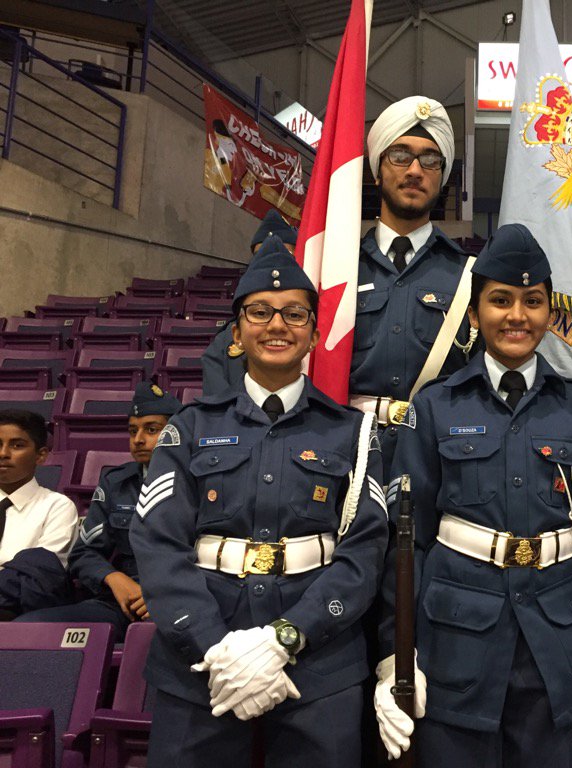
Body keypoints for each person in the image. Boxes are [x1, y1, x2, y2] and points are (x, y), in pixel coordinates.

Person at [374, 224, 572, 767]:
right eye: (500, 301)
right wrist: (397, 656)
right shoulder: (435, 407)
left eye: (533, 301)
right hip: (454, 648)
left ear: (549, 313)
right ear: (473, 315)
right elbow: (407, 544)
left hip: (557, 652)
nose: (517, 315)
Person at [130, 235, 389, 767]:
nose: (277, 325)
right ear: (237, 331)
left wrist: (285, 639)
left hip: (319, 661)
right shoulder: (190, 429)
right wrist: (214, 646)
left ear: (315, 334)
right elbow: (158, 546)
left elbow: (363, 554)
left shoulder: (355, 434)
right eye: (260, 312)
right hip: (203, 664)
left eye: (295, 314)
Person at [353, 95, 475, 477]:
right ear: (377, 169)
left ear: (442, 174)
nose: (415, 170)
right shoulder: (339, 268)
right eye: (400, 155)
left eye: (430, 159)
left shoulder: (469, 275)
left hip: (441, 461)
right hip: (350, 454)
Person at [16, 382, 182, 639]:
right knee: (26, 630)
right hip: (120, 601)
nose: (138, 440)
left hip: (184, 601)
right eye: (132, 431)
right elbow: (84, 552)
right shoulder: (115, 483)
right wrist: (113, 577)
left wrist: (167, 594)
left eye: (151, 430)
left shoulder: (204, 483)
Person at [201, 209, 298, 395]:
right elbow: (217, 410)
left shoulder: (319, 330)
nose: (273, 263)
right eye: (261, 256)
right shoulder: (225, 342)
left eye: (285, 255)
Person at [0, 410, 78, 618]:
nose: (3, 454)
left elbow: (39, 580)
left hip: (17, 612)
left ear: (41, 455)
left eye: (17, 445)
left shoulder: (57, 506)